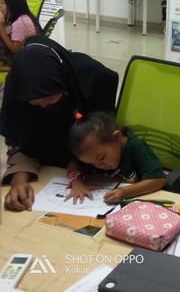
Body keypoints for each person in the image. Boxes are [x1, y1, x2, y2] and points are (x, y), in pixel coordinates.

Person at [0, 34, 119, 211]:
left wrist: (77, 170)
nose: (44, 106)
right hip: (46, 172)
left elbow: (102, 142)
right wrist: (19, 179)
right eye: (35, 103)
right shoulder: (17, 86)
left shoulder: (95, 79)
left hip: (92, 166)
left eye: (50, 98)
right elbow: (18, 140)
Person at [67, 111, 166, 204]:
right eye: (92, 163)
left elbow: (158, 180)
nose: (99, 165)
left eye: (101, 158)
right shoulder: (93, 153)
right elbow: (73, 165)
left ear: (117, 137)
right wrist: (77, 182)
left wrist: (125, 192)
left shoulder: (136, 147)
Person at [0, 0, 41, 70]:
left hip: (24, 58)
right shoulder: (23, 16)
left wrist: (1, 27)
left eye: (2, 3)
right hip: (28, 53)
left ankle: (10, 65)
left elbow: (15, 49)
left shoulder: (19, 23)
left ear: (12, 5)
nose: (0, 6)